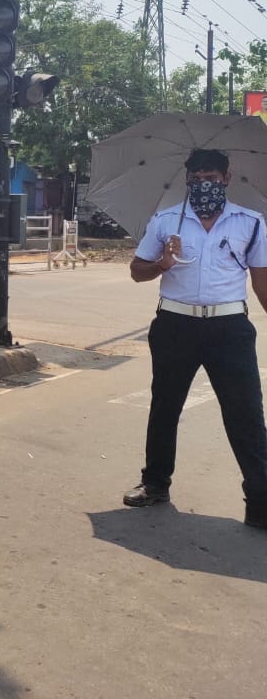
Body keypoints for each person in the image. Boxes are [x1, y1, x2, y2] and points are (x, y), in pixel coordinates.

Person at [125, 148, 267, 530]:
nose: (204, 184)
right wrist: (162, 264)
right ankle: (155, 484)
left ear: (226, 178)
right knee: (165, 407)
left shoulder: (250, 222)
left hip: (229, 328)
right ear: (187, 180)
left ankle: (261, 501)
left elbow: (262, 282)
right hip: (175, 325)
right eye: (197, 178)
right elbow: (136, 271)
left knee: (246, 415)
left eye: (212, 178)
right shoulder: (166, 220)